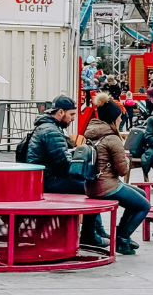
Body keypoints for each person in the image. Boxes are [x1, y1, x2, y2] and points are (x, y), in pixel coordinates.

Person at [27, 95, 106, 246]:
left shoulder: (47, 127)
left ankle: (97, 230)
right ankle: (90, 234)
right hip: (50, 181)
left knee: (88, 183)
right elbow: (63, 163)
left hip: (44, 178)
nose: (73, 119)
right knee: (92, 187)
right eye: (71, 114)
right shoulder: (52, 131)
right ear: (61, 112)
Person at [84, 98, 151, 255]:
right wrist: (126, 159)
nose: (122, 119)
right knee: (144, 205)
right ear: (113, 118)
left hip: (92, 184)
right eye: (120, 116)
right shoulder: (112, 138)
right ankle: (121, 238)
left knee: (140, 194)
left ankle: (123, 236)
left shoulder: (92, 133)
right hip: (106, 186)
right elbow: (122, 170)